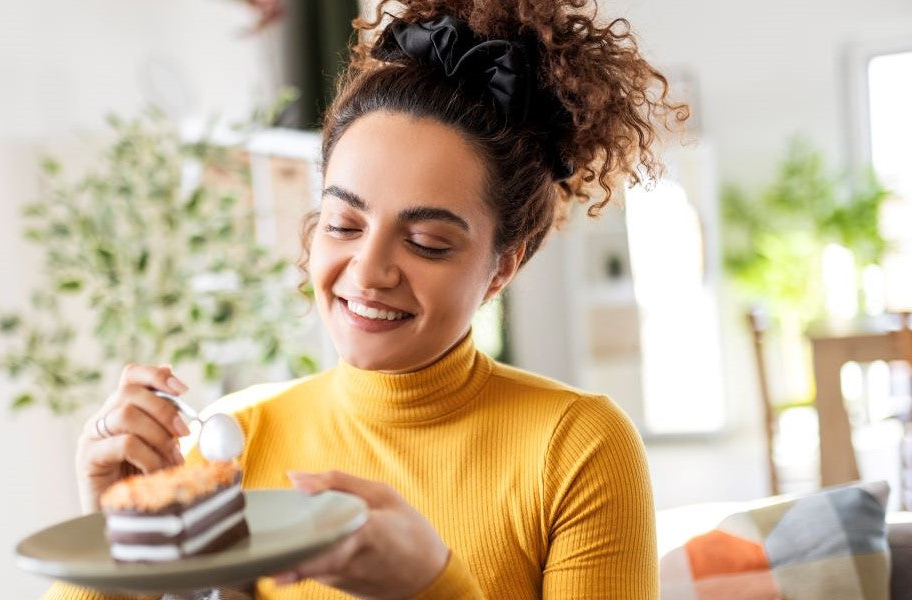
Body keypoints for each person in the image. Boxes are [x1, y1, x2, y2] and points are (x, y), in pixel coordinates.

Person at [44, 0, 687, 598]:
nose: (369, 270)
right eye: (344, 226)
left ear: (500, 269)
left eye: (429, 241)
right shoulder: (236, 438)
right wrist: (112, 541)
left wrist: (429, 584)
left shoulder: (576, 449)